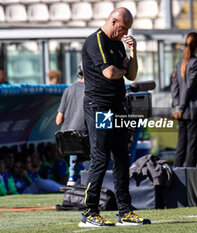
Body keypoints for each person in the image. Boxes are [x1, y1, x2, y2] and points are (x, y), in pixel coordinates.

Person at [80, 7, 149, 227]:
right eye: (123, 28)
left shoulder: (119, 44)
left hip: (117, 106)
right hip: (99, 107)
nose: (125, 32)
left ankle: (125, 211)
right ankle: (90, 212)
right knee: (100, 157)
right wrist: (121, 66)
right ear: (113, 20)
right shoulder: (95, 41)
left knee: (121, 156)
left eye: (128, 29)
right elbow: (110, 73)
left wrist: (133, 53)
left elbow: (131, 74)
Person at [171, 32, 197, 168]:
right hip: (192, 111)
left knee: (181, 145)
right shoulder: (194, 63)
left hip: (182, 111)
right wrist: (180, 106)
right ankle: (189, 182)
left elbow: (175, 86)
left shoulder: (181, 62)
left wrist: (176, 106)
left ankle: (175, 178)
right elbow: (188, 88)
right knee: (192, 146)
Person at [56, 64, 86, 186]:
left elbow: (58, 120)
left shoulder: (68, 90)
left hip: (67, 140)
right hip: (86, 137)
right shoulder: (95, 89)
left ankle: (72, 176)